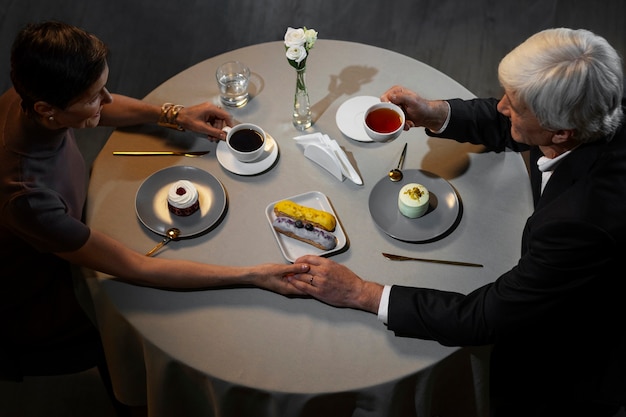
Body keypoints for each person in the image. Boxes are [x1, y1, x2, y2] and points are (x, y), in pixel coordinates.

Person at [288, 28, 626, 417]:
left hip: (572, 360)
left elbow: (486, 316)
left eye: (514, 105)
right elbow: (518, 129)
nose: (501, 107)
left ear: (561, 132)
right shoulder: (594, 110)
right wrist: (435, 113)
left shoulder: (580, 222)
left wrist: (363, 293)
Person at [0, 20, 308, 414]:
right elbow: (135, 267)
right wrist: (251, 275)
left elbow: (102, 111)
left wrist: (174, 115)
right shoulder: (26, 196)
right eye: (94, 96)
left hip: (71, 230)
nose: (107, 100)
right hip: (43, 293)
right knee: (157, 334)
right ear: (47, 110)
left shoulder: (26, 93)